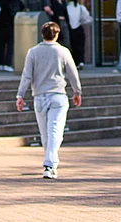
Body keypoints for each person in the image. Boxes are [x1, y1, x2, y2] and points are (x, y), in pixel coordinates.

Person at [18, 22, 83, 179]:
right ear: (57, 34)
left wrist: (20, 95)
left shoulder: (33, 52)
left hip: (39, 96)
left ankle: (50, 163)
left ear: (42, 34)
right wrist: (77, 91)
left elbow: (27, 75)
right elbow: (73, 73)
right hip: (58, 96)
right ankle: (50, 164)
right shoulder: (63, 51)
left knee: (46, 134)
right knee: (55, 131)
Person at [0, 0, 22, 72]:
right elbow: (21, 6)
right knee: (10, 44)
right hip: (10, 23)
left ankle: (1, 63)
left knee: (1, 44)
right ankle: (8, 63)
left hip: (0, 24)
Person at [64, 0, 93, 68]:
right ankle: (81, 61)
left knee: (72, 46)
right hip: (79, 28)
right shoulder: (80, 7)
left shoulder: (66, 8)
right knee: (80, 46)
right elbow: (87, 18)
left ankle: (75, 62)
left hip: (70, 29)